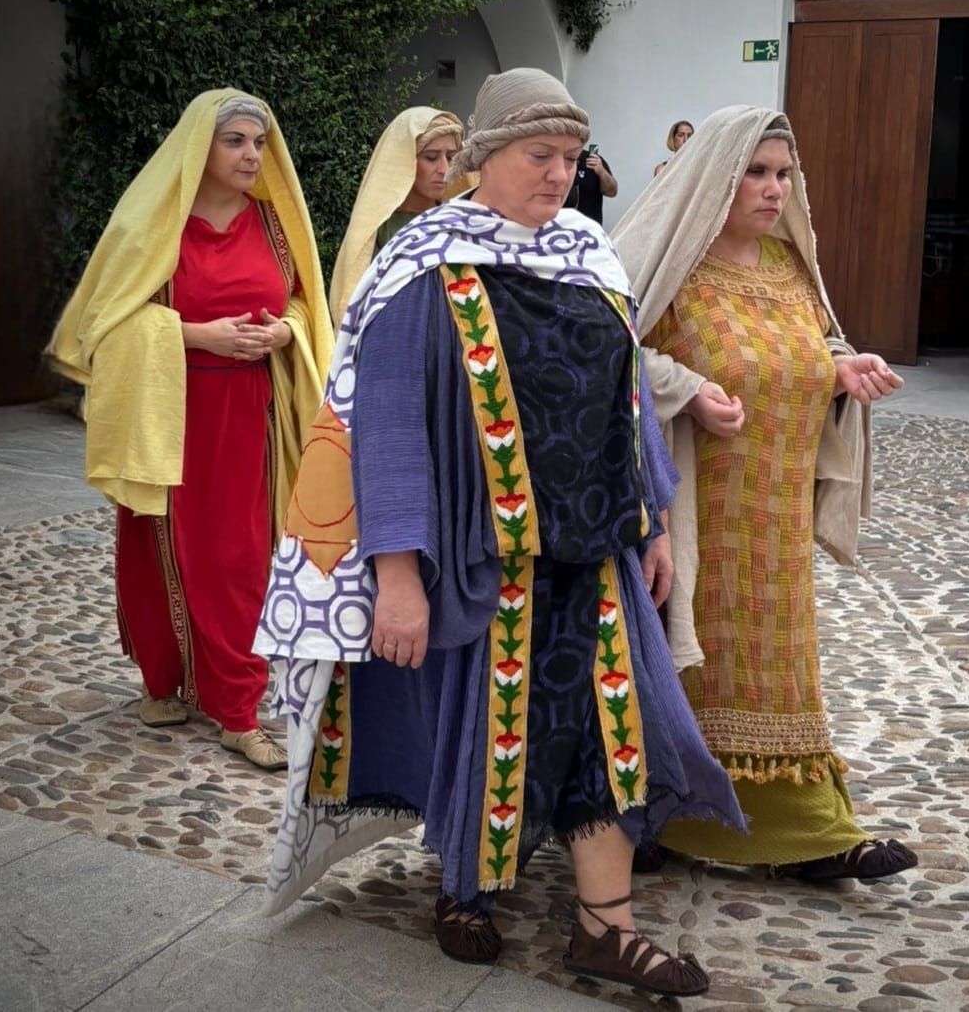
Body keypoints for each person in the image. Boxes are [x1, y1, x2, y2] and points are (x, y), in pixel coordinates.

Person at [253, 68, 743, 998]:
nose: (559, 176)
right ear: (483, 159)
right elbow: (387, 422)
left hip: (594, 549)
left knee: (608, 731)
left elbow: (627, 397)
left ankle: (608, 927)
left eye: (569, 158)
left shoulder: (593, 257)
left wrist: (652, 518)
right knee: (487, 729)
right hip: (482, 558)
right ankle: (464, 885)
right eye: (537, 156)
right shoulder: (422, 263)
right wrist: (396, 572)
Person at [612, 106, 917, 882]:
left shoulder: (790, 271)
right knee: (686, 664)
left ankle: (808, 829)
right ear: (717, 175)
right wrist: (685, 388)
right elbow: (607, 350)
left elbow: (815, 348)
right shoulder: (672, 267)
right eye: (756, 171)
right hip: (693, 518)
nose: (773, 188)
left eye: (783, 173)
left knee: (779, 673)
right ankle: (655, 816)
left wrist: (842, 368)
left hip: (775, 525)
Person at [46, 90, 334, 771]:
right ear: (198, 148)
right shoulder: (154, 227)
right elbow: (109, 323)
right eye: (234, 141)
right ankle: (163, 680)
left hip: (250, 414)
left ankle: (237, 710)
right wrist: (195, 334)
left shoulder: (274, 223)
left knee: (237, 558)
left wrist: (284, 330)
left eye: (258, 144)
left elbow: (304, 300)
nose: (250, 155)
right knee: (158, 547)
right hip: (168, 412)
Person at [328, 108, 464, 323]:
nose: (444, 168)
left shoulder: (460, 220)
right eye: (431, 157)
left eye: (451, 157)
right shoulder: (375, 230)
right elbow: (357, 302)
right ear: (405, 162)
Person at [565, 143, 617, 224]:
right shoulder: (555, 162)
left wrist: (602, 172)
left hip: (590, 228)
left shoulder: (591, 160)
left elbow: (612, 192)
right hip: (563, 228)